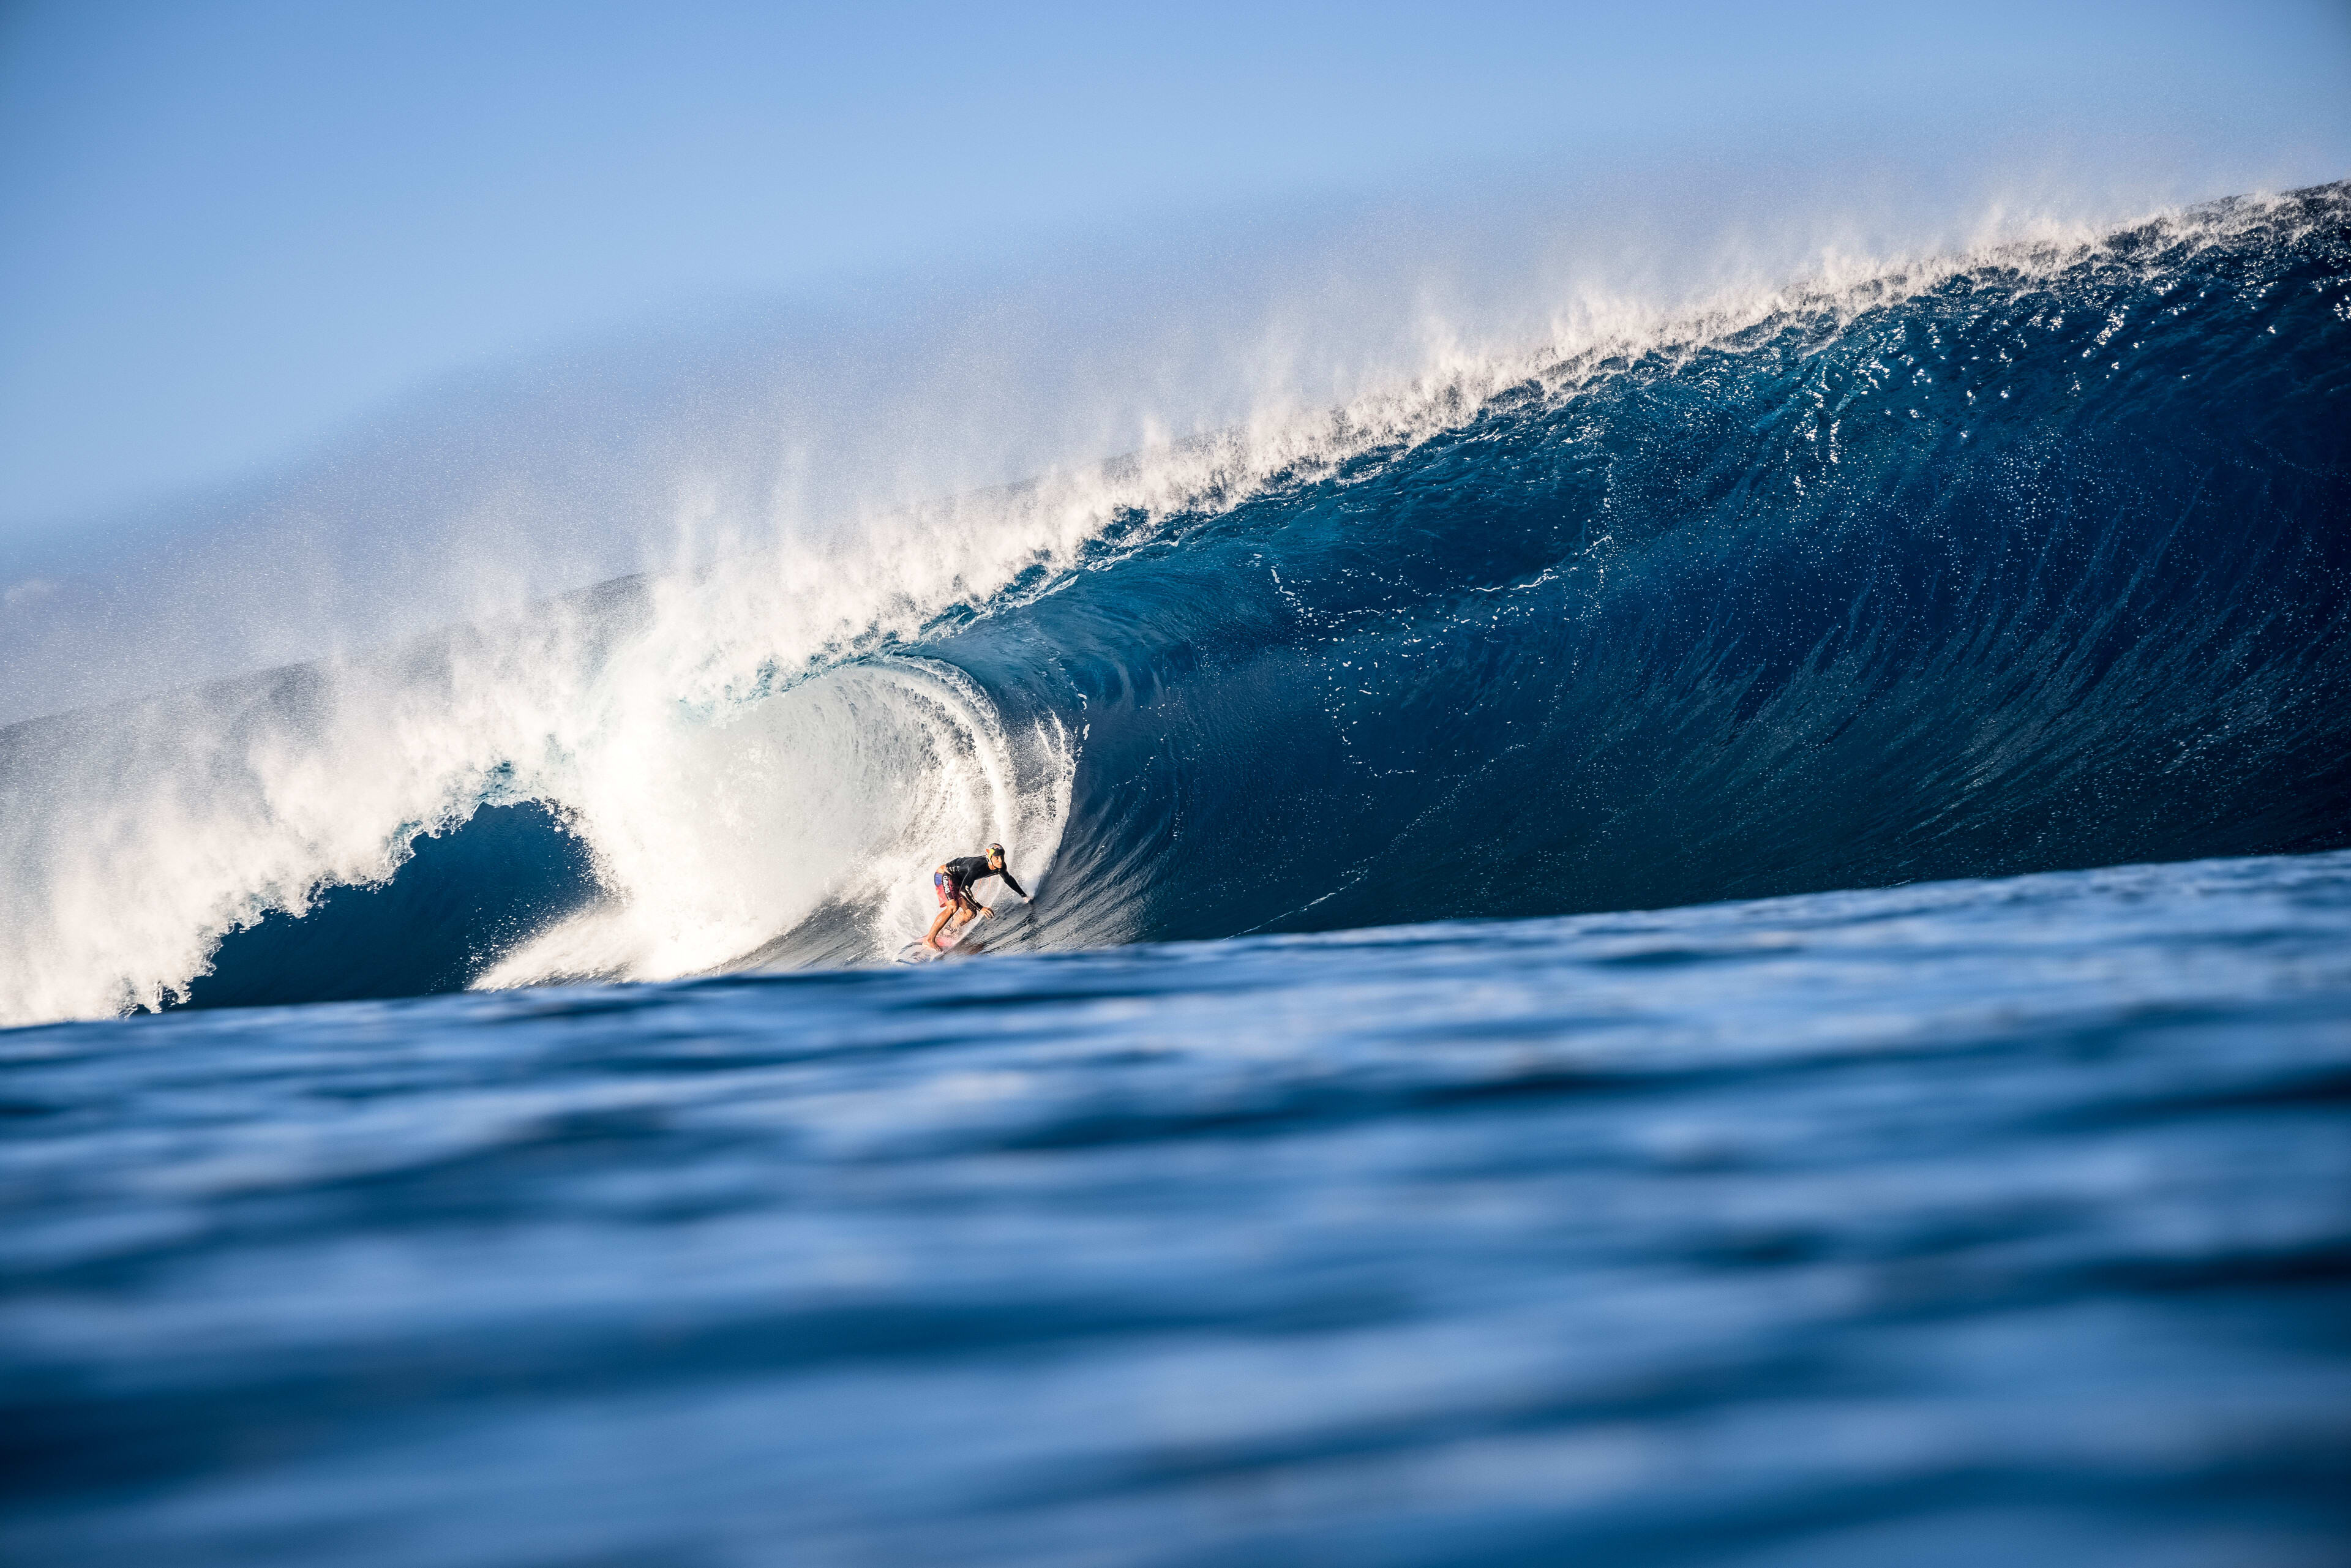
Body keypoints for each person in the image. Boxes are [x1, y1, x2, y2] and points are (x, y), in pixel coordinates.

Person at [925, 842, 1028, 950]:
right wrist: (981, 908)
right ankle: (929, 940)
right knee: (953, 907)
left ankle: (948, 931)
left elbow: (1008, 880)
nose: (1000, 861)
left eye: (1002, 857)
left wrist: (1024, 896)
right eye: (996, 858)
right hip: (945, 874)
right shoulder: (978, 866)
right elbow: (964, 891)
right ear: (989, 858)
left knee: (970, 914)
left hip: (959, 880)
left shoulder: (1001, 867)